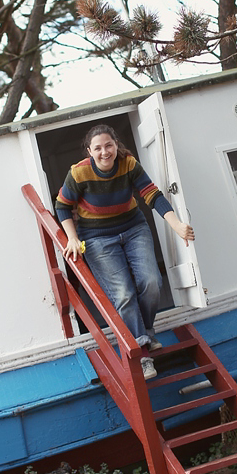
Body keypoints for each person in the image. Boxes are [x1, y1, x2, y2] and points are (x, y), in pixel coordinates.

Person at [55, 123, 195, 380]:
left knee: (151, 282)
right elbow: (62, 206)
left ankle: (146, 331)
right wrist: (72, 238)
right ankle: (141, 354)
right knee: (123, 294)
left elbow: (151, 194)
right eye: (97, 148)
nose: (104, 152)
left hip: (132, 228)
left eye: (109, 145)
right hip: (96, 237)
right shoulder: (79, 173)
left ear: (116, 145)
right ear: (89, 151)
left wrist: (176, 225)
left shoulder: (128, 164)